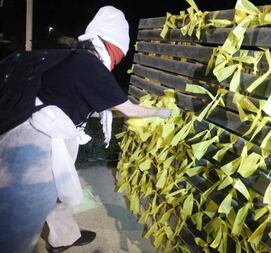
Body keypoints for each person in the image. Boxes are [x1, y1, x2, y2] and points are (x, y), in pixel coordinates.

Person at [0, 6, 171, 253]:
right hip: (35, 142)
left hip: (54, 132)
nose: (117, 61)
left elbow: (96, 100)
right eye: (119, 55)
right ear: (111, 44)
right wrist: (163, 113)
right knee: (22, 213)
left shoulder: (76, 59)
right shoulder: (89, 66)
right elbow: (129, 110)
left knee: (59, 191)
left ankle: (64, 236)